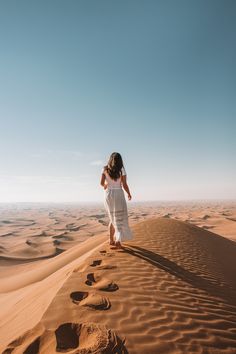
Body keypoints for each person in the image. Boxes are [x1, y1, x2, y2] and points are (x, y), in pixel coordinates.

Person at [100, 152, 133, 249]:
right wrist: (129, 193)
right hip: (118, 194)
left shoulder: (105, 168)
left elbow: (101, 183)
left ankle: (111, 240)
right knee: (119, 218)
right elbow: (124, 184)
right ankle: (118, 241)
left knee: (112, 217)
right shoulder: (121, 169)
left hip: (108, 195)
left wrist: (106, 185)